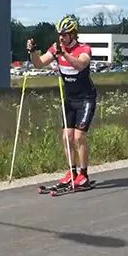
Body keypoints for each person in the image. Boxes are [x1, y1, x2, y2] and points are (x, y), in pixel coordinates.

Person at [26, 15, 97, 188]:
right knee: (66, 137)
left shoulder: (84, 49)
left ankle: (84, 174)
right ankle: (72, 172)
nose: (61, 38)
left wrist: (63, 53)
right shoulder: (56, 48)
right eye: (59, 34)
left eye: (64, 35)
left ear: (73, 35)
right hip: (70, 99)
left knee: (79, 136)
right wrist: (32, 51)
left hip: (86, 99)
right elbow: (39, 64)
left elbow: (80, 65)